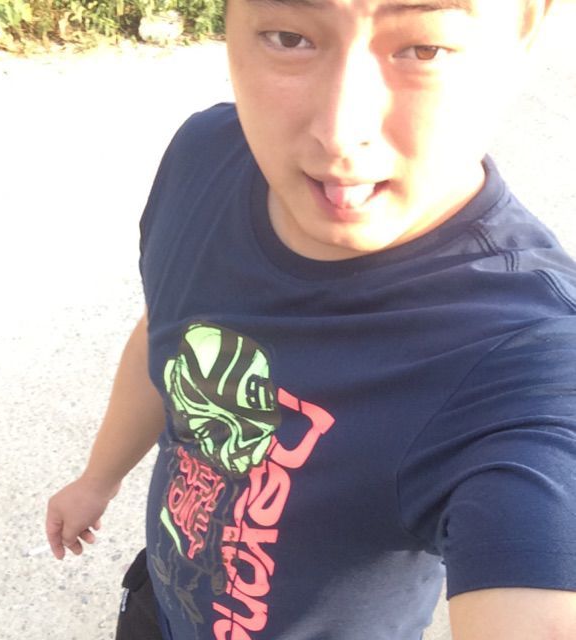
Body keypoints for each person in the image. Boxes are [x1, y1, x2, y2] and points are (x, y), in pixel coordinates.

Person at [46, 0, 576, 638]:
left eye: (425, 49)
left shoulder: (525, 357)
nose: (339, 134)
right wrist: (98, 479)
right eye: (288, 37)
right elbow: (167, 327)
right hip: (160, 608)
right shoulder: (204, 158)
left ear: (525, 33)